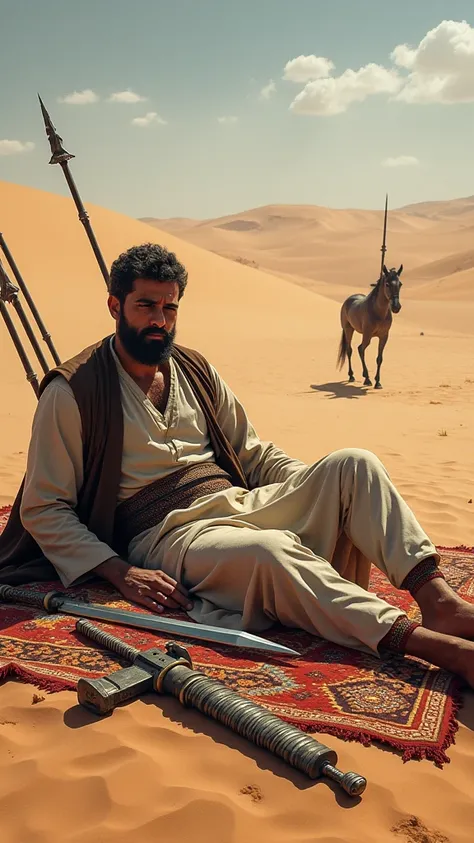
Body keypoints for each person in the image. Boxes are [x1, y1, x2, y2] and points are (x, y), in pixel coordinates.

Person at [0, 243, 473, 689]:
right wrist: (120, 572)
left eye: (170, 308)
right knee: (269, 552)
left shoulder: (195, 368)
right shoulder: (72, 391)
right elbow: (45, 508)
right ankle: (427, 645)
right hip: (167, 535)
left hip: (237, 500)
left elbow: (252, 454)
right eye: (146, 306)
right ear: (114, 306)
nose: (160, 321)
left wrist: (319, 491)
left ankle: (440, 603)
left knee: (356, 463)